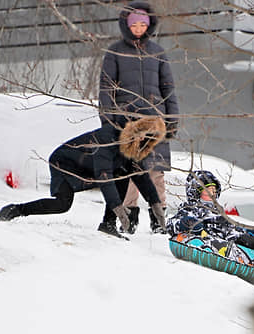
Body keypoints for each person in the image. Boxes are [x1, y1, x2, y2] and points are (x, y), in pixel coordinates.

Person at [0, 116, 166, 239]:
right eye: (143, 136)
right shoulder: (108, 139)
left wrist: (155, 203)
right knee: (62, 204)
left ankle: (108, 225)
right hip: (64, 162)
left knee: (124, 174)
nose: (145, 141)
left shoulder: (133, 148)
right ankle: (16, 210)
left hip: (87, 166)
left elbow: (140, 176)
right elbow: (104, 176)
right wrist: (118, 208)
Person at [99, 1, 179, 234]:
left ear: (149, 25)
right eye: (134, 24)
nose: (138, 27)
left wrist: (172, 120)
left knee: (156, 171)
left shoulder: (158, 53)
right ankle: (128, 217)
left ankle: (159, 220)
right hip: (127, 123)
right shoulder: (115, 51)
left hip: (155, 122)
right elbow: (106, 90)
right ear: (126, 24)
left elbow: (169, 89)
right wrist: (108, 122)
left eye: (143, 23)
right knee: (130, 170)